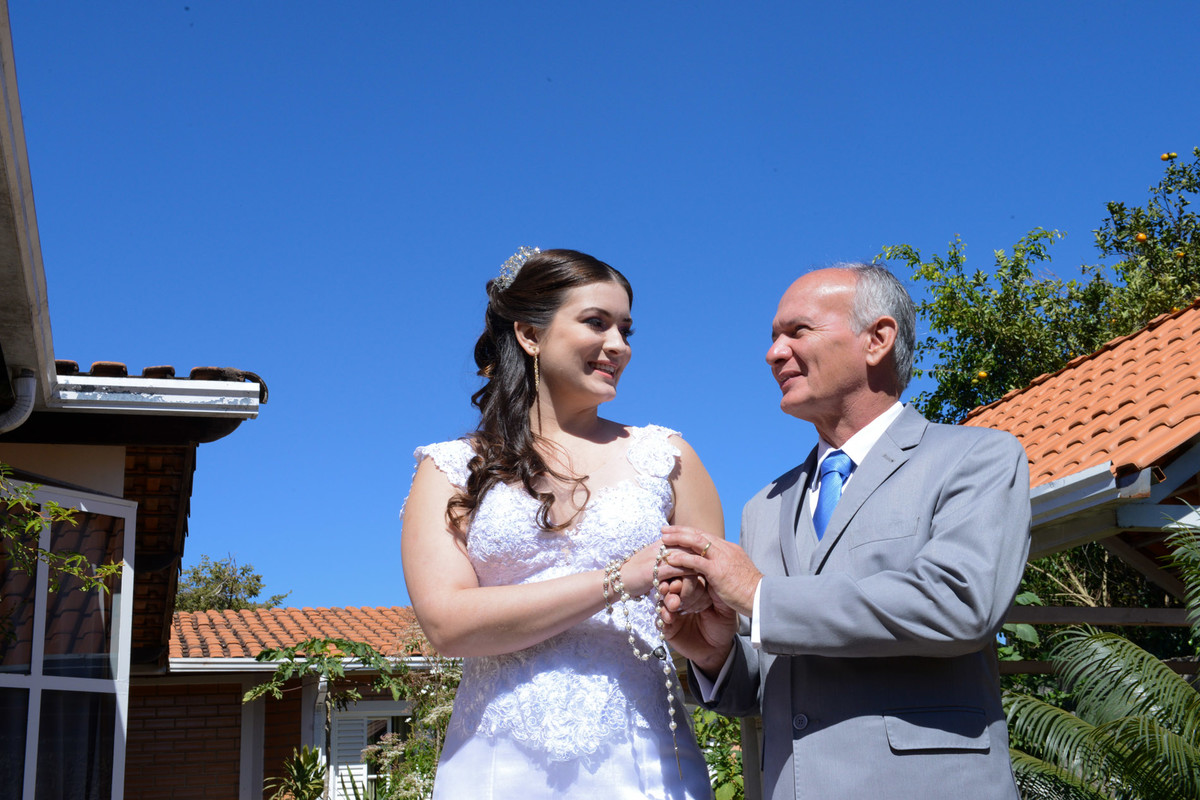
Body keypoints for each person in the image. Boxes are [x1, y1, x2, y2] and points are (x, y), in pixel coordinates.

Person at [658, 264, 1031, 800]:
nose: (773, 353)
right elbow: (770, 685)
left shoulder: (977, 458)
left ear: (877, 339)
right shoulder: (764, 506)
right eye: (772, 338)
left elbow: (960, 602)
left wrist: (761, 596)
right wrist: (715, 655)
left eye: (796, 332)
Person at [401, 248, 722, 799]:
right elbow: (446, 623)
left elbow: (714, 622)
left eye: (626, 329)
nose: (618, 346)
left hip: (641, 754)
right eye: (596, 323)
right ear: (529, 334)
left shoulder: (669, 457)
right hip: (498, 759)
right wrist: (620, 578)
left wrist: (693, 607)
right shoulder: (452, 468)